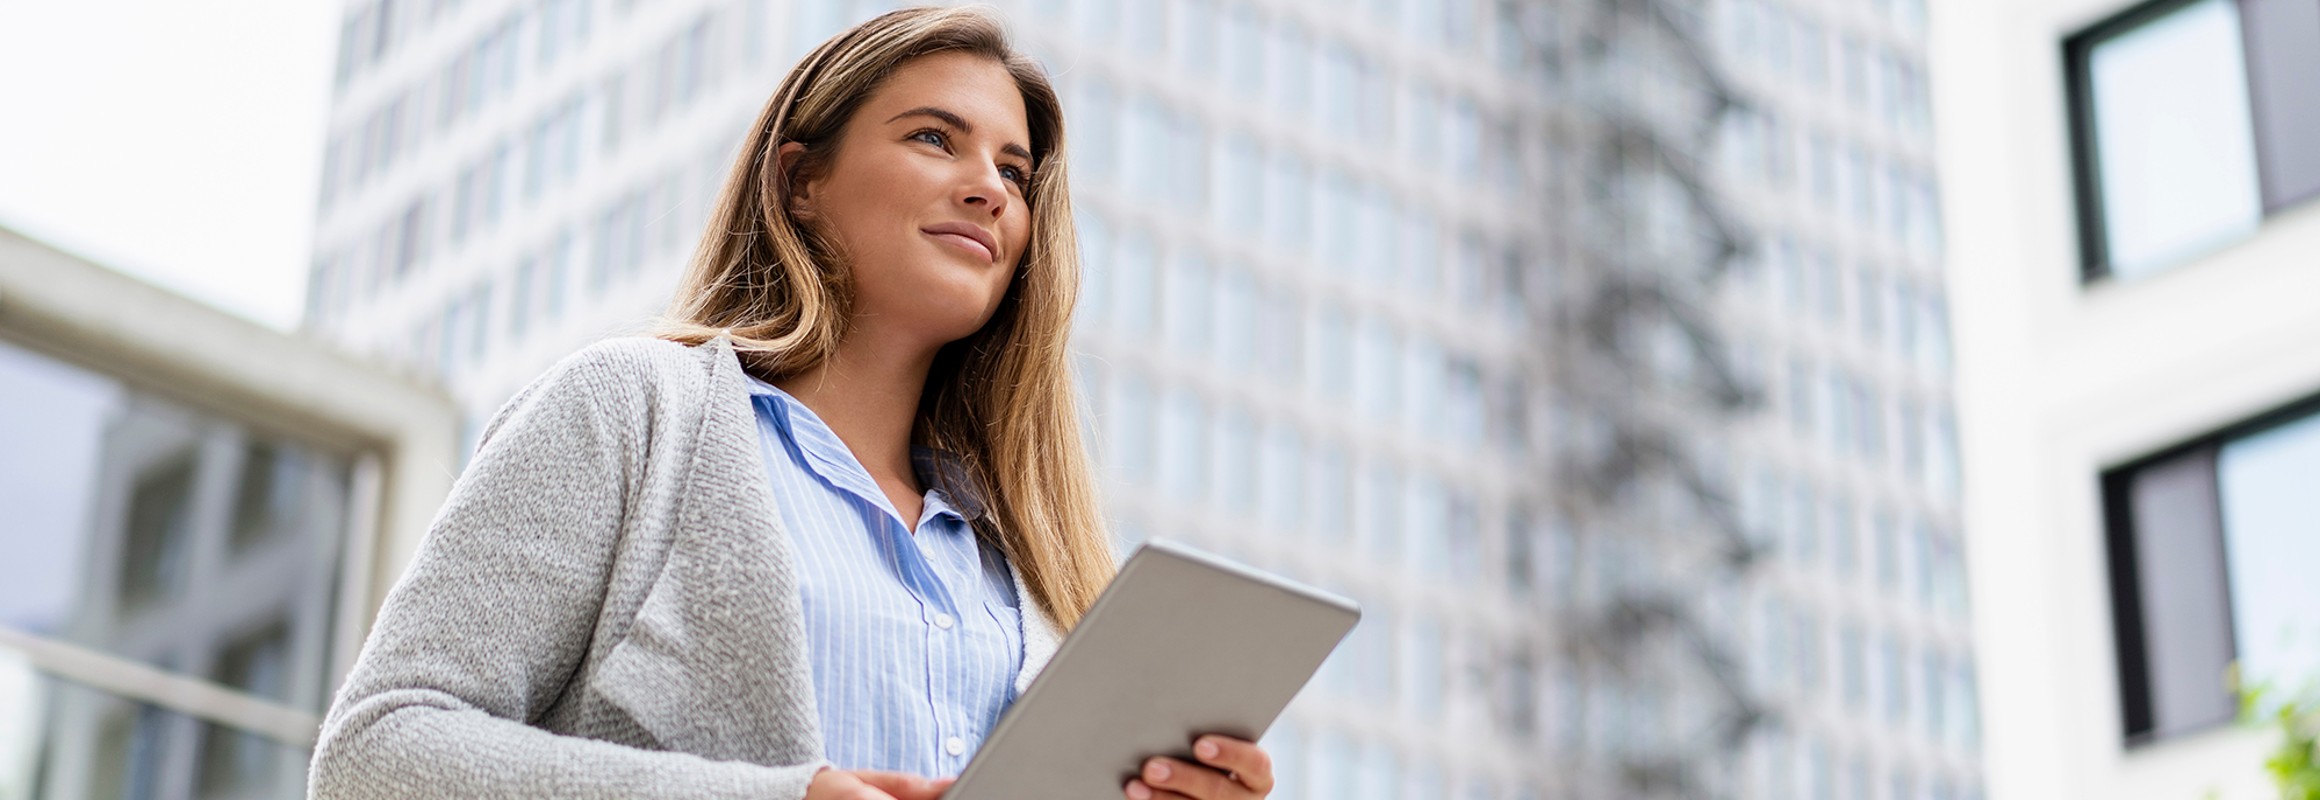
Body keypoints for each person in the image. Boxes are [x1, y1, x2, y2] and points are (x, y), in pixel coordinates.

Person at [307, 6, 1275, 800]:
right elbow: (376, 756)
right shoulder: (631, 411)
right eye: (935, 138)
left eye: (1014, 173)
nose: (989, 189)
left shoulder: (1023, 554)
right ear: (801, 180)